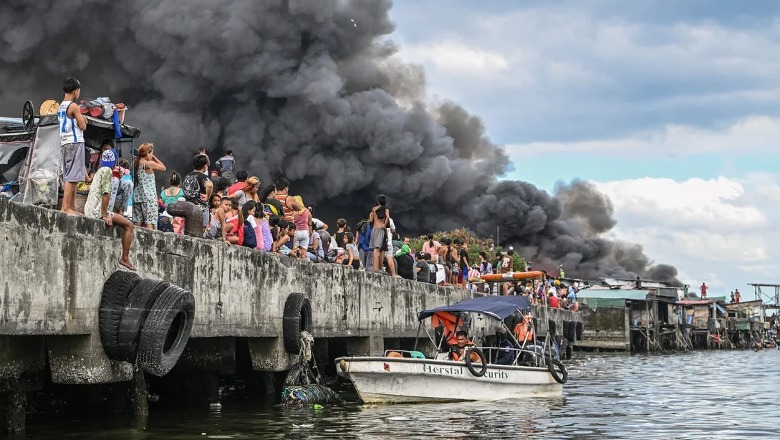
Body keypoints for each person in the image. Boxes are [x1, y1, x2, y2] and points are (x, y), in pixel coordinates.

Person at [83, 149, 135, 270]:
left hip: (90, 208)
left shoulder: (99, 171)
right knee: (129, 226)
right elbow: (106, 194)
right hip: (97, 211)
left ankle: (125, 258)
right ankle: (125, 258)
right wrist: (105, 214)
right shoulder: (107, 172)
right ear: (114, 162)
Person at [57, 77, 88, 215]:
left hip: (65, 143)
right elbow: (83, 126)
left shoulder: (60, 106)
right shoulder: (74, 106)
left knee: (73, 176)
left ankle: (72, 207)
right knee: (71, 176)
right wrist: (84, 120)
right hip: (75, 142)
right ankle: (66, 207)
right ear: (75, 91)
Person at [132, 143, 166, 229]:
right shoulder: (149, 164)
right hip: (149, 197)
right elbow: (163, 167)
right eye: (151, 153)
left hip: (137, 196)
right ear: (147, 153)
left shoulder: (135, 163)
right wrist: (154, 157)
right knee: (150, 222)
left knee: (137, 222)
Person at [183, 154, 214, 230]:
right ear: (205, 166)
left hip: (188, 208)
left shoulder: (186, 177)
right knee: (201, 231)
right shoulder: (202, 176)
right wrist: (208, 196)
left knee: (189, 231)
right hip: (201, 208)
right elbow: (209, 185)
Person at [370, 195, 390, 274]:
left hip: (374, 229)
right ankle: (376, 269)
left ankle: (375, 268)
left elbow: (371, 220)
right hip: (380, 229)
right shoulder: (386, 209)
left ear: (378, 201)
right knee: (377, 249)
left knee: (375, 249)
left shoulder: (374, 209)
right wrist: (384, 225)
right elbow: (387, 217)